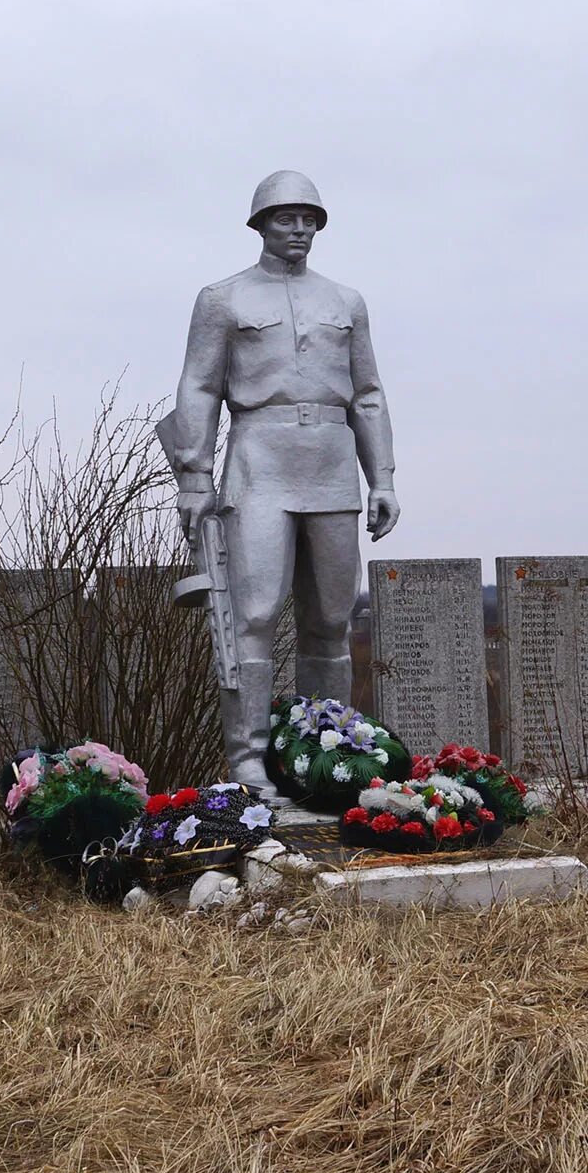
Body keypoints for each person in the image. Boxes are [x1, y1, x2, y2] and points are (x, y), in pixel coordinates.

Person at [167, 170, 400, 793]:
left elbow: (369, 394)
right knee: (255, 613)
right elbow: (199, 386)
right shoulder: (224, 298)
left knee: (331, 614)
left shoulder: (345, 302)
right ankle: (248, 758)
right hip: (259, 460)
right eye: (284, 218)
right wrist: (194, 477)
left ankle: (328, 751)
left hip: (330, 461)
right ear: (260, 225)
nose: (297, 230)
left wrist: (382, 477)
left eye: (308, 220)